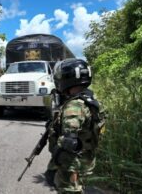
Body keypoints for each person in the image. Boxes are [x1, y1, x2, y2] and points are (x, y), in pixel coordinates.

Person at [44, 59, 105, 193]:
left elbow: (68, 142)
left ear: (68, 79)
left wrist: (53, 166)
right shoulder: (90, 99)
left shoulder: (75, 105)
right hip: (86, 159)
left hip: (72, 165)